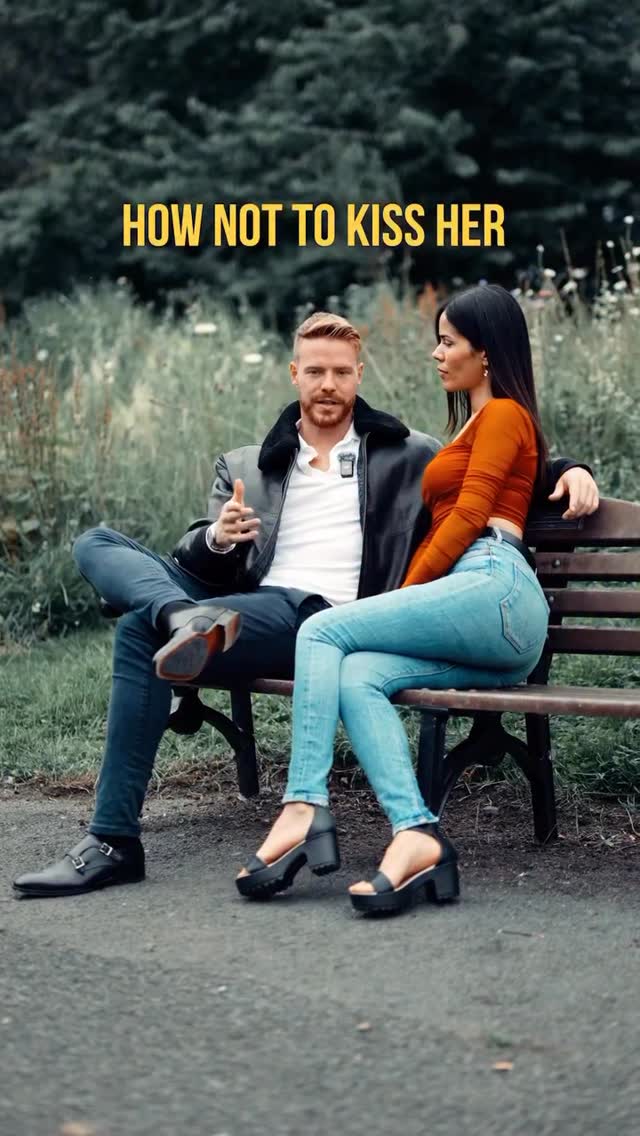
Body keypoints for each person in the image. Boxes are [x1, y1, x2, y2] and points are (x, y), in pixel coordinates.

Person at [12, 305, 598, 899]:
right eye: (316, 371)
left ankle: (261, 772)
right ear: (294, 373)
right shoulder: (245, 464)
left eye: (342, 372)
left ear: (359, 376)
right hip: (244, 613)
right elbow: (194, 559)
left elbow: (491, 459)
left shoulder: (402, 451)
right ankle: (116, 837)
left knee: (157, 623)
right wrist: (218, 537)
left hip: (326, 617)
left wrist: (571, 468)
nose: (328, 384)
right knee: (101, 552)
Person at [235, 285, 591, 916]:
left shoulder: (506, 414)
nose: (436, 353)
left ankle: (302, 806)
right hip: (483, 617)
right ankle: (416, 836)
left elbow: (468, 520)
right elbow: (508, 483)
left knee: (322, 633)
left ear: (485, 354)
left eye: (448, 341)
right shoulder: (471, 428)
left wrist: (403, 596)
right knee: (359, 673)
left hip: (493, 584)